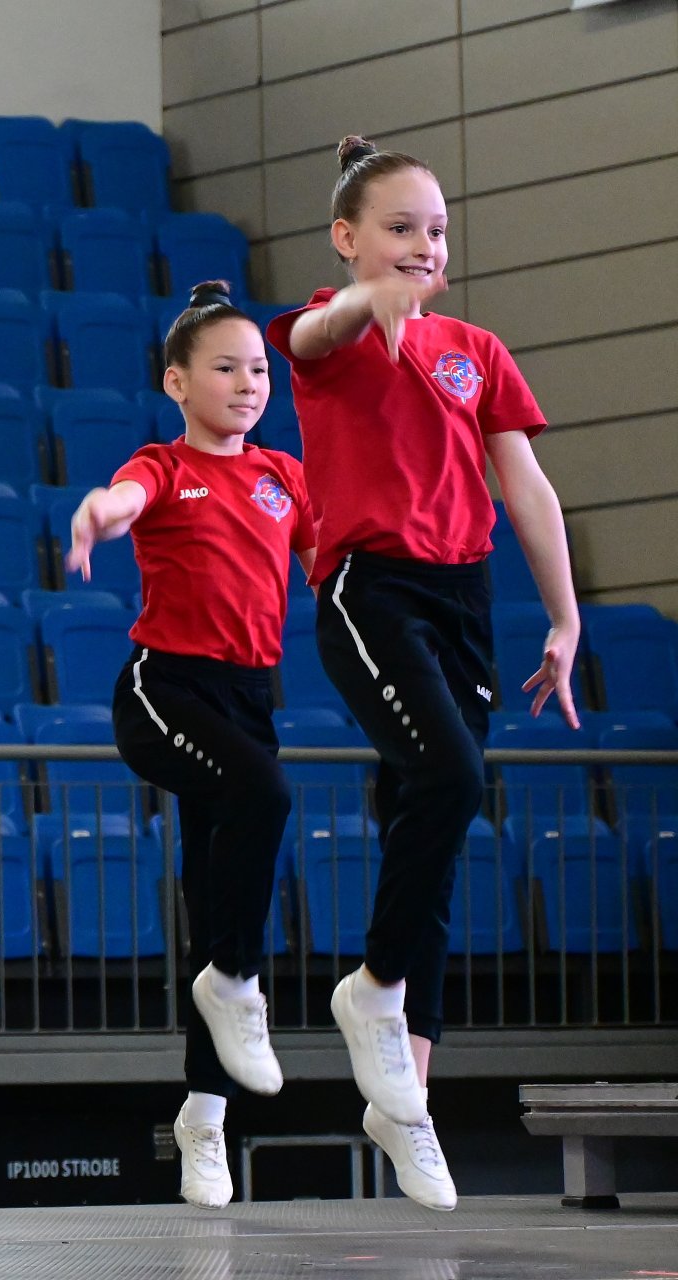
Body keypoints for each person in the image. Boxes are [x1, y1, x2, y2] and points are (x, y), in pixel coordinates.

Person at [266, 135, 579, 1212]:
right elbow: (316, 331)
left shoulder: (475, 348)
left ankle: (407, 1101)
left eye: (436, 230)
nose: (424, 246)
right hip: (373, 588)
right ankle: (372, 991)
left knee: (430, 830)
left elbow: (525, 485)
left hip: (465, 600)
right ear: (347, 238)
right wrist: (370, 300)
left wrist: (565, 616)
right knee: (450, 776)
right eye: (400, 228)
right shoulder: (329, 330)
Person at [67, 281, 315, 1208]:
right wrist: (101, 511)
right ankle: (238, 984)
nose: (248, 385)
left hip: (248, 700)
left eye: (259, 371)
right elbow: (126, 497)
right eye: (226, 369)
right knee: (267, 796)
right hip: (164, 690)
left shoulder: (284, 476)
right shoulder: (165, 465)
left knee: (219, 910)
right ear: (177, 381)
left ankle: (204, 1117)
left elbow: (333, 562)